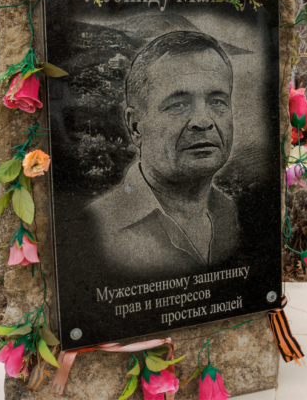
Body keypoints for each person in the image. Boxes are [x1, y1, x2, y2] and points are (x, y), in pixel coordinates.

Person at [89, 31, 241, 279]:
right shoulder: (95, 228)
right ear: (136, 126)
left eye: (217, 101)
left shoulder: (229, 213)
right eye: (178, 105)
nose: (203, 121)